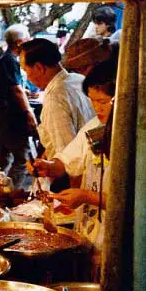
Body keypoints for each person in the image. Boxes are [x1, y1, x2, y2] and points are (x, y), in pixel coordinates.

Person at [28, 59, 117, 271]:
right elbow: (68, 162)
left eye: (103, 102)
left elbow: (136, 201)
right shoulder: (95, 126)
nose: (97, 108)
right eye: (93, 101)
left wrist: (86, 196)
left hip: (119, 239)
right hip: (89, 231)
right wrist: (48, 166)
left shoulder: (139, 137)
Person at [20, 38, 96, 164]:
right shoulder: (79, 79)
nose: (27, 77)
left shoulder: (55, 98)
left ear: (39, 68)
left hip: (72, 172)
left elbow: (67, 156)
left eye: (26, 70)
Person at [0, 23, 36, 188]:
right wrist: (29, 113)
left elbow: (15, 88)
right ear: (19, 43)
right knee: (21, 159)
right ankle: (9, 193)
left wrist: (26, 93)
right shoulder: (9, 61)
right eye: (27, 39)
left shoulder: (6, 60)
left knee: (3, 156)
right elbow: (16, 90)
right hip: (7, 118)